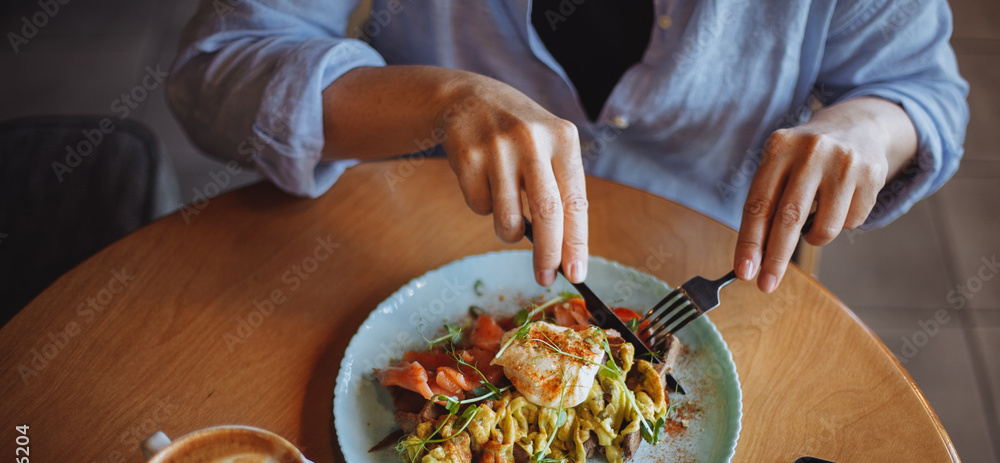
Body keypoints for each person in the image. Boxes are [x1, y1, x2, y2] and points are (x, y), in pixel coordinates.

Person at [167, 0, 968, 292]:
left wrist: (870, 125)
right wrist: (441, 102)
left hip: (698, 276)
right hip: (408, 263)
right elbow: (213, 71)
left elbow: (926, 95)